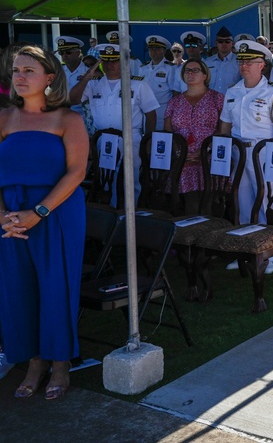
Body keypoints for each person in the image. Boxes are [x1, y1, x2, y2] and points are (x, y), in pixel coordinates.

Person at [0, 45, 87, 400]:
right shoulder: (4, 118)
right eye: (16, 70)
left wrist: (39, 212)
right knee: (17, 289)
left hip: (57, 211)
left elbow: (77, 171)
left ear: (49, 78)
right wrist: (3, 216)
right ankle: (34, 362)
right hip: (10, 216)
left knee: (56, 287)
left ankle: (61, 363)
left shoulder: (69, 119)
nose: (19, 76)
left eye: (28, 70)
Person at [219, 40, 273, 274]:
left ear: (262, 65)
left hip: (264, 153)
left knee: (268, 203)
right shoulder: (232, 91)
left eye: (250, 61)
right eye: (241, 61)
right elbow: (224, 126)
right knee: (242, 204)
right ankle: (245, 252)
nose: (244, 65)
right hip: (238, 152)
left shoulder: (272, 92)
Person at [69, 43, 159, 203]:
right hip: (102, 139)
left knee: (130, 181)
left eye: (114, 61)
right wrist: (88, 76)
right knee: (105, 179)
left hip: (131, 139)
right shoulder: (93, 83)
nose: (110, 65)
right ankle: (110, 213)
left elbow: (150, 114)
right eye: (106, 60)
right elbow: (73, 99)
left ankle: (131, 215)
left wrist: (148, 141)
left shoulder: (138, 84)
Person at [163, 58, 225, 214]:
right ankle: (190, 227)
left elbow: (223, 129)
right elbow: (167, 131)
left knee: (208, 200)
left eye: (195, 70)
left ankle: (209, 226)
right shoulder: (174, 102)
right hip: (181, 155)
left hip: (210, 154)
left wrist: (205, 151)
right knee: (190, 201)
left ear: (205, 75)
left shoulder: (217, 98)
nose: (190, 73)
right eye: (186, 70)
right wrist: (181, 152)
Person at [137, 35, 178, 130]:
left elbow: (175, 93)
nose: (153, 51)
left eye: (157, 49)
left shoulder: (170, 68)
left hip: (162, 109)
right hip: (143, 109)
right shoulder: (143, 68)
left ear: (164, 50)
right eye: (150, 48)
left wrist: (173, 112)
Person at [202, 27, 240, 94]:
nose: (224, 44)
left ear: (233, 43)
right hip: (212, 101)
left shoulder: (239, 62)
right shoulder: (207, 62)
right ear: (216, 43)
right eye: (220, 41)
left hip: (232, 102)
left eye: (227, 41)